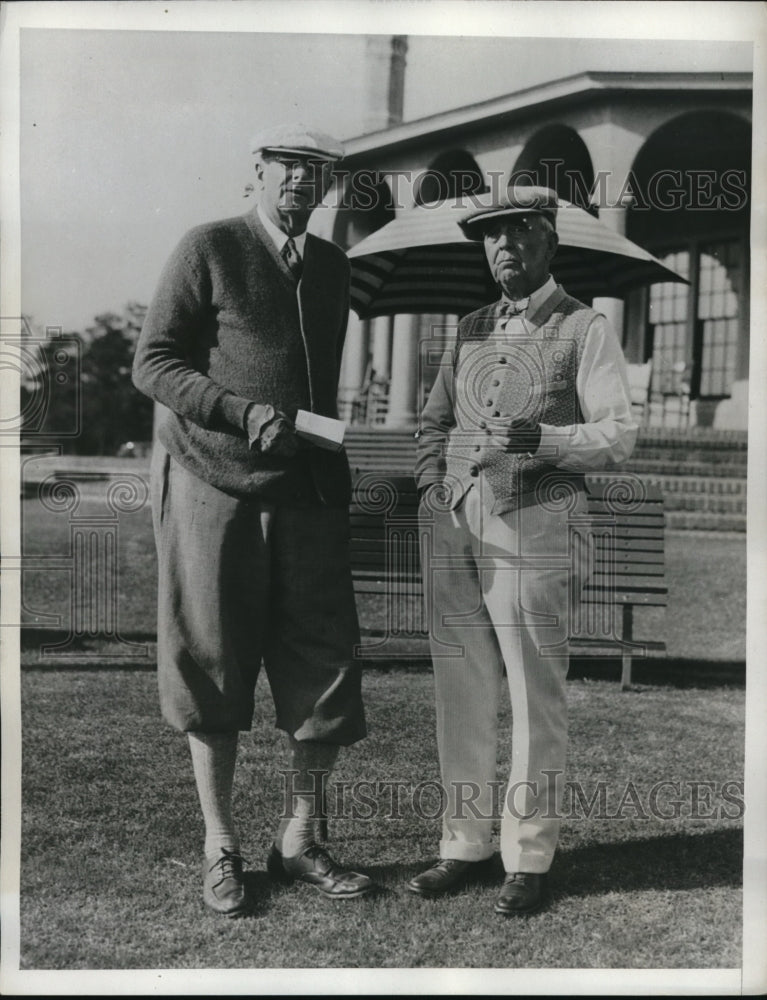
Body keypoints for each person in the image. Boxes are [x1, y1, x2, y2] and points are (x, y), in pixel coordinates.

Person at [132, 124, 376, 917]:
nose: (303, 183)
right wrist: (237, 411)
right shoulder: (209, 246)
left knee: (327, 664)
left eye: (318, 172)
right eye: (290, 168)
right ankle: (221, 845)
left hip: (307, 491)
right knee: (213, 660)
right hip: (213, 483)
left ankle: (300, 840)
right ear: (259, 171)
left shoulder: (334, 266)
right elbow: (154, 361)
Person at [410, 186, 638, 915]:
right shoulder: (471, 324)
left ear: (549, 241)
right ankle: (463, 843)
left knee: (533, 691)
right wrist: (429, 487)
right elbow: (434, 419)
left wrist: (544, 438)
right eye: (490, 235)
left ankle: (528, 855)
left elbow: (618, 434)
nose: (503, 245)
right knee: (462, 686)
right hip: (456, 521)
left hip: (535, 517)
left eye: (518, 231)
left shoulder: (584, 326)